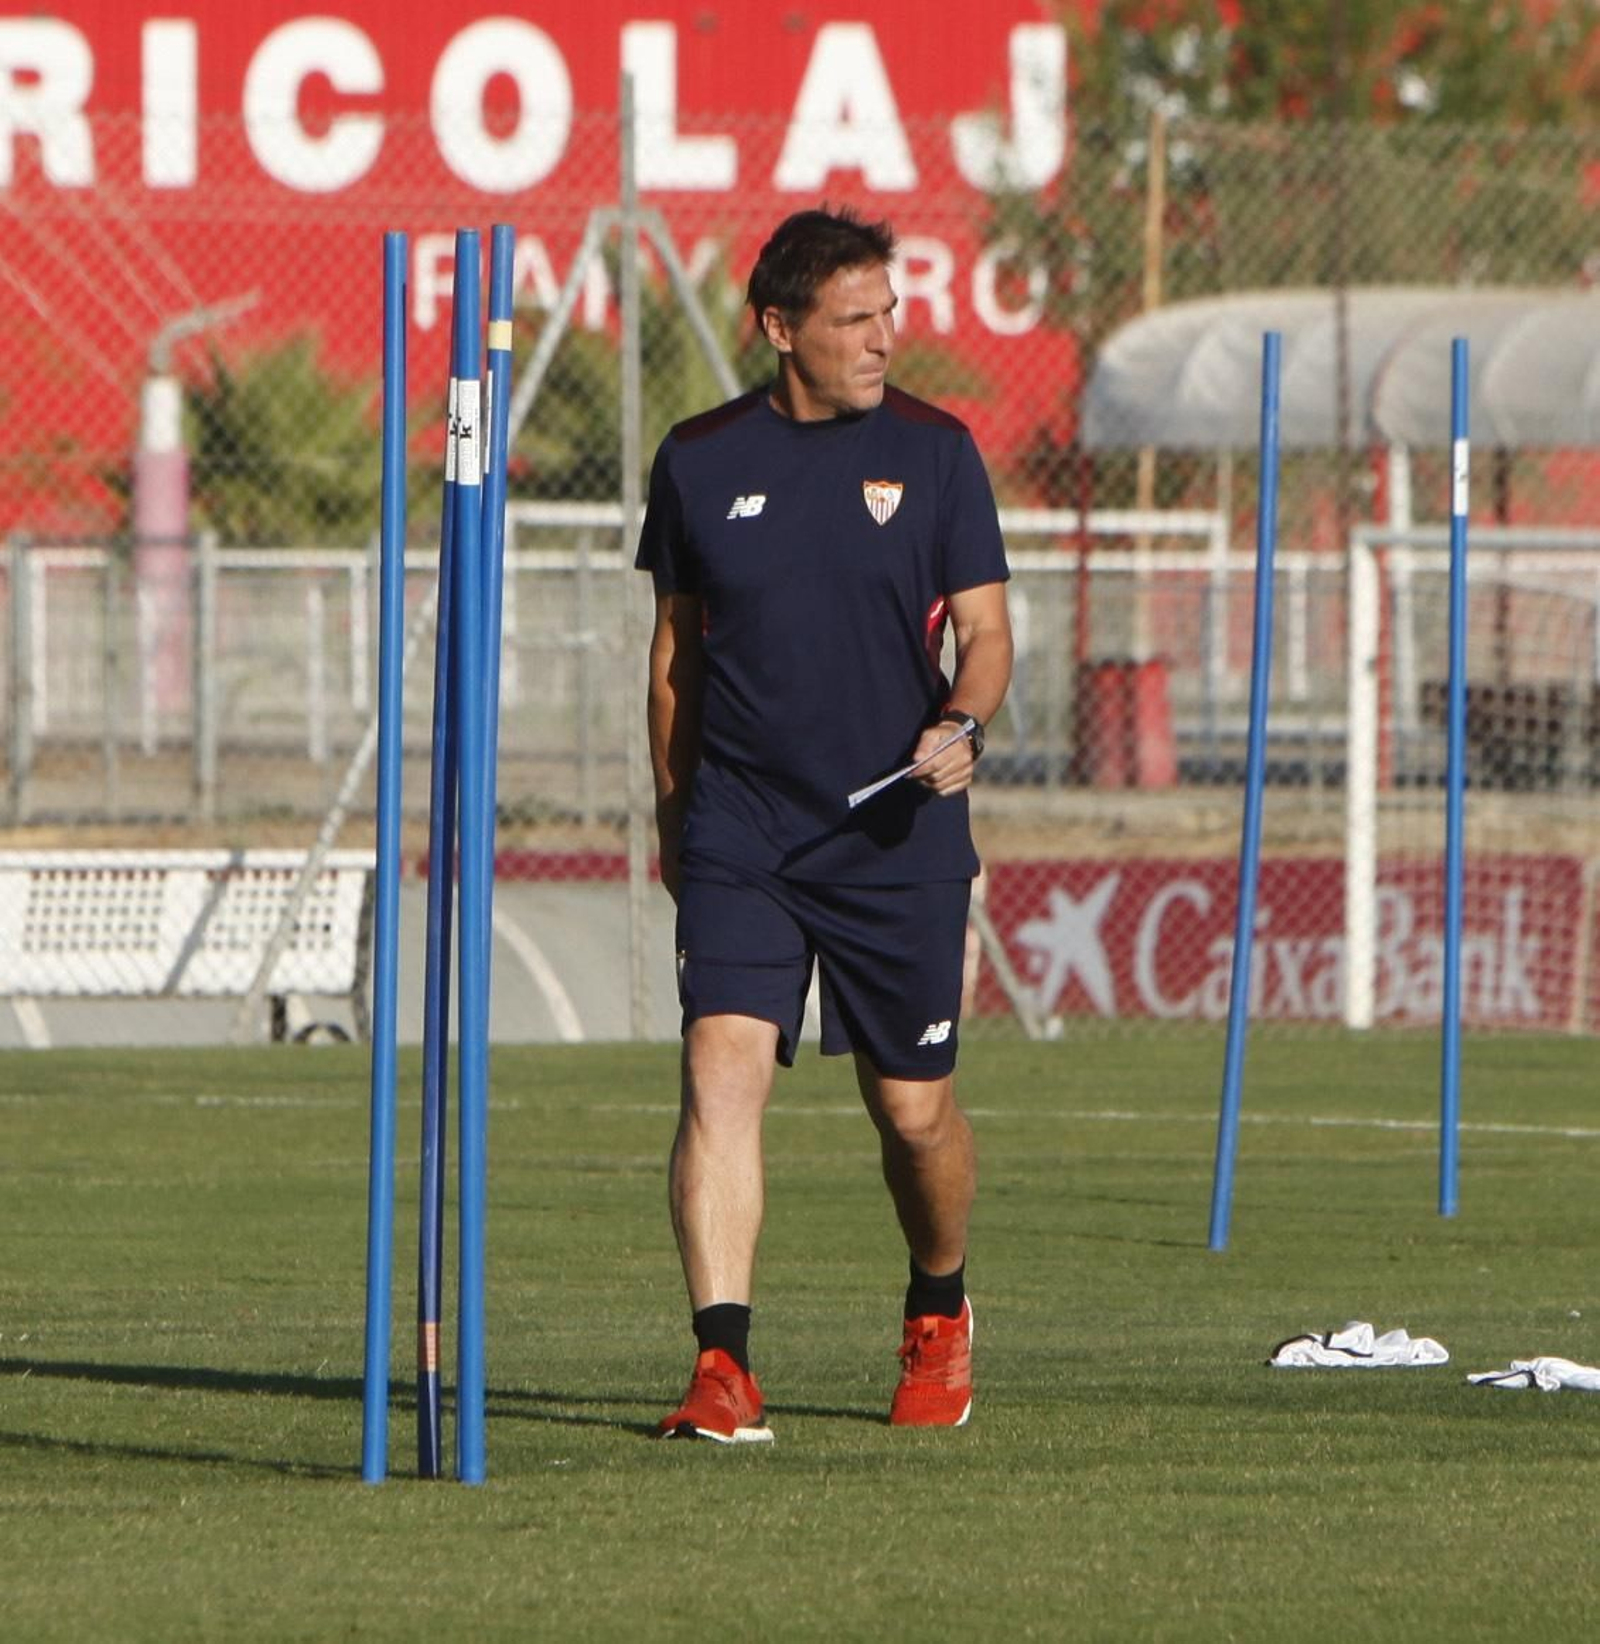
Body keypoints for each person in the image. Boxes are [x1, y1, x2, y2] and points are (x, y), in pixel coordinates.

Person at [635, 206, 1013, 1443]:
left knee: (913, 1115)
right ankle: (721, 1366)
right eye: (854, 319)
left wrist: (960, 724)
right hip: (742, 833)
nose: (882, 338)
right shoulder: (697, 459)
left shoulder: (938, 453)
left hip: (895, 837)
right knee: (719, 1074)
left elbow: (988, 634)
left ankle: (939, 1305)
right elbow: (674, 660)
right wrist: (677, 818)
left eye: (887, 313)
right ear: (778, 328)